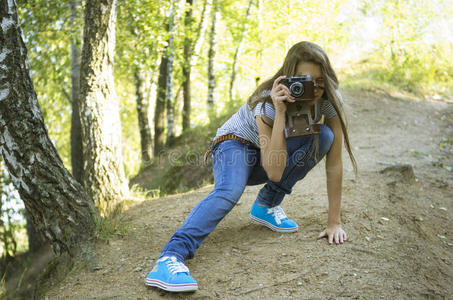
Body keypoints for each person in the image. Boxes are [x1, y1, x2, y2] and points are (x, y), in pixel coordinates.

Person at [144, 41, 357, 292]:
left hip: (267, 156)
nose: (311, 88)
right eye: (303, 80)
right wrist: (280, 112)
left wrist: (334, 222)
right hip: (234, 146)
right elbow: (275, 171)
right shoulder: (267, 101)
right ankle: (170, 257)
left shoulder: (330, 99)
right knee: (229, 191)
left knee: (324, 137)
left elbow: (335, 163)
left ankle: (266, 205)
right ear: (288, 77)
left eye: (318, 81)